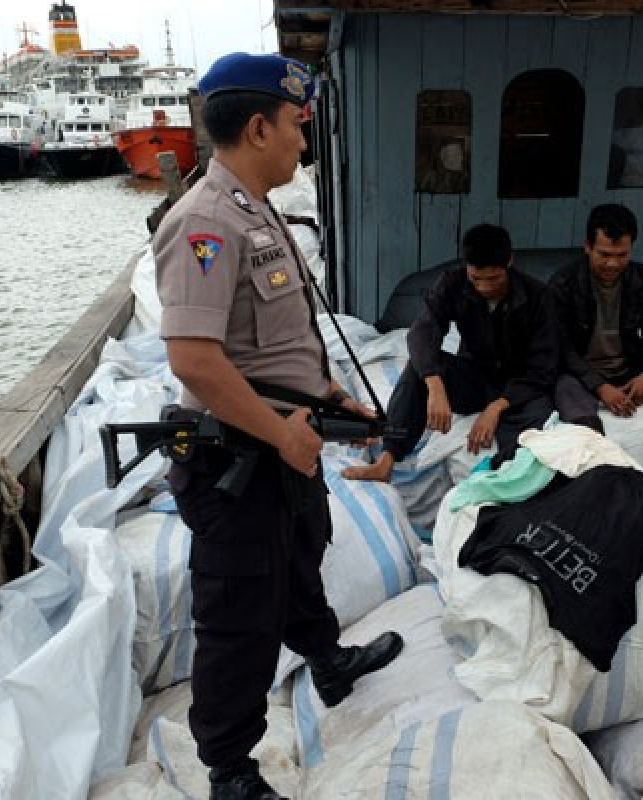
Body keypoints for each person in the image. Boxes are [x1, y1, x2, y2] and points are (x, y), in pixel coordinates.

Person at [153, 52, 403, 800]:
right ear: (259, 126)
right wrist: (282, 431)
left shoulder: (256, 209)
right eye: (297, 126)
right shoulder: (201, 221)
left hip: (284, 440)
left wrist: (328, 397)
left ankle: (326, 662)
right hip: (240, 458)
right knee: (240, 616)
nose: (304, 142)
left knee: (300, 558)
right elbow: (195, 360)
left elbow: (269, 338)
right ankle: (230, 770)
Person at [343, 224, 558, 482]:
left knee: (536, 423)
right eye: (476, 278)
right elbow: (423, 331)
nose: (484, 288)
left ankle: (506, 476)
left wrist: (496, 408)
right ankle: (387, 460)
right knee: (419, 367)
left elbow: (543, 367)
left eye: (493, 279)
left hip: (520, 387)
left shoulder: (538, 296)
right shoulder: (452, 283)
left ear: (509, 262)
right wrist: (434, 384)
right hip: (475, 378)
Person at [548, 203, 643, 526]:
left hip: (630, 369)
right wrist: (599, 386)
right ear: (587, 246)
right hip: (580, 374)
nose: (613, 263)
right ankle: (591, 504)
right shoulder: (563, 284)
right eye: (604, 254)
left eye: (621, 255)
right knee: (577, 414)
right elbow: (561, 349)